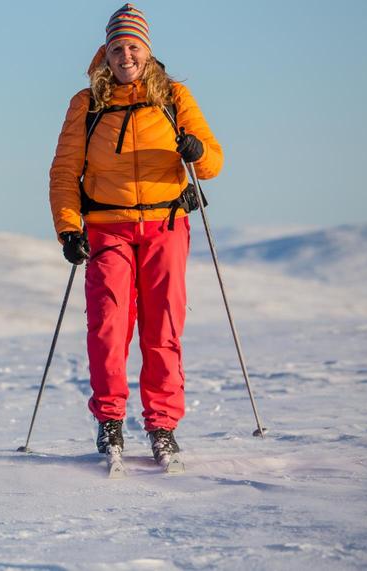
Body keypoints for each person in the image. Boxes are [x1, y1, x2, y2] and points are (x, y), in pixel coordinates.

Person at [48, 4, 223, 464]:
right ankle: (109, 422)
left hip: (167, 225)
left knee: (162, 327)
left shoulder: (175, 97)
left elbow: (212, 164)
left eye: (133, 46)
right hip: (107, 228)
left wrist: (197, 149)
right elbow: (65, 172)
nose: (124, 55)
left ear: (147, 51)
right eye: (117, 47)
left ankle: (162, 425)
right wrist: (69, 228)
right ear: (105, 53)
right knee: (108, 327)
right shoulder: (86, 104)